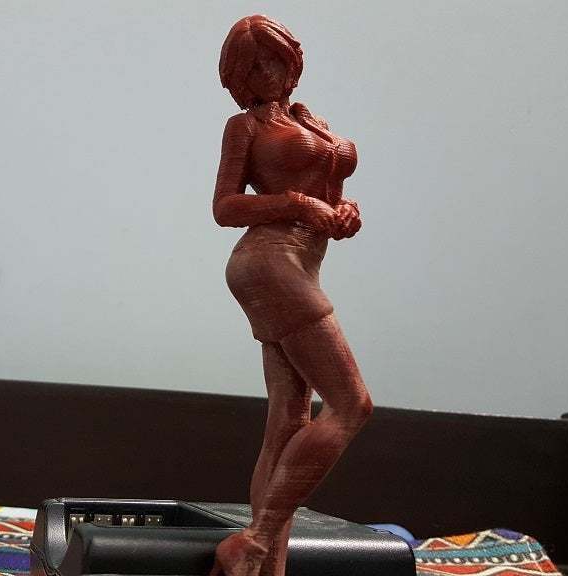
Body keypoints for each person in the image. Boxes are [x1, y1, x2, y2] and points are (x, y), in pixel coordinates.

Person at [209, 14, 375, 576]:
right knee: (351, 405)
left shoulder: (310, 120)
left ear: (291, 60)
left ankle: (264, 566)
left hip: (301, 261)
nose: (267, 73)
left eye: (274, 59)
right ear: (239, 76)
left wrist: (342, 211)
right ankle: (255, 540)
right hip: (268, 261)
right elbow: (224, 207)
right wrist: (298, 206)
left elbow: (327, 189)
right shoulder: (243, 127)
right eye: (253, 66)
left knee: (288, 418)